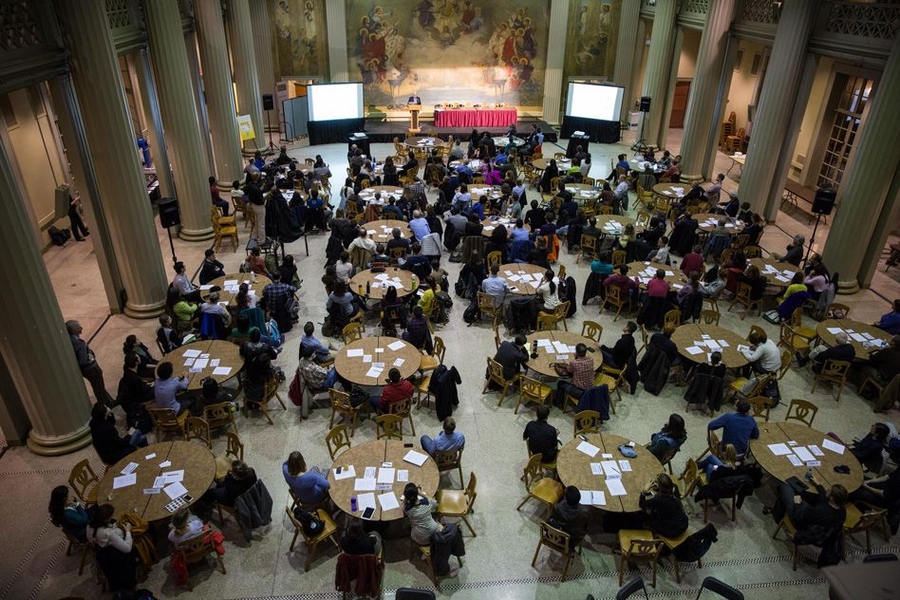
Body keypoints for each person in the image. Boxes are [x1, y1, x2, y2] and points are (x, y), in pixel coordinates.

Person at [775, 477, 847, 539]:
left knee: (785, 485)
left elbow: (798, 517)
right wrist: (818, 485)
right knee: (802, 495)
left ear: (832, 498)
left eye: (828, 490)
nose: (826, 490)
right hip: (814, 524)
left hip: (799, 522)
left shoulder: (819, 511)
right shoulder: (842, 511)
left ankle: (778, 514)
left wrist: (797, 504)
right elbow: (823, 498)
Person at [86, 504, 137, 592]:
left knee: (112, 575)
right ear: (106, 519)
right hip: (114, 558)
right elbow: (127, 548)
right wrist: (128, 531)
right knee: (134, 547)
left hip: (101, 554)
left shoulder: (89, 527)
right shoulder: (108, 533)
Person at [67, 320, 115, 407]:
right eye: (78, 327)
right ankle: (105, 404)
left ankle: (109, 401)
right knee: (99, 388)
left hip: (89, 369)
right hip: (91, 369)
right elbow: (83, 361)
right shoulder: (79, 344)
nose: (81, 328)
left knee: (99, 387)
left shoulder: (72, 340)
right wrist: (91, 357)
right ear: (74, 330)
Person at [639, 473, 688, 538]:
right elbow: (665, 491)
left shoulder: (659, 500)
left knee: (645, 517)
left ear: (660, 487)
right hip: (683, 522)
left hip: (672, 531)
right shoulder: (674, 487)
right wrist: (658, 489)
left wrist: (644, 491)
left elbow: (642, 504)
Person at [553, 343, 595, 407]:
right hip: (590, 388)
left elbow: (569, 370)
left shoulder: (574, 363)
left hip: (580, 392)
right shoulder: (591, 360)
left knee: (560, 383)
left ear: (576, 352)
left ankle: (558, 403)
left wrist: (575, 357)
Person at [403, 482, 441, 546]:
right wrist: (421, 494)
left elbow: (404, 507)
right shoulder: (427, 502)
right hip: (434, 533)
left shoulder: (407, 509)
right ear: (417, 493)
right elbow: (436, 504)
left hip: (419, 538)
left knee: (408, 524)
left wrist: (405, 499)